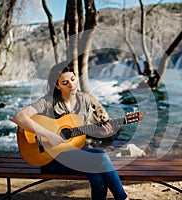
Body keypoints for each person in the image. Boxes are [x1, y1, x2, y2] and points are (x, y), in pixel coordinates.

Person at [12, 61, 129, 200]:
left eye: (73, 79)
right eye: (65, 82)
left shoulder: (84, 99)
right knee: (101, 156)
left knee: (97, 177)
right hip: (52, 158)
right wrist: (49, 135)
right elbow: (19, 117)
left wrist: (101, 132)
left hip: (79, 154)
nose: (71, 85)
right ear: (57, 85)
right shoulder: (48, 101)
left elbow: (84, 130)